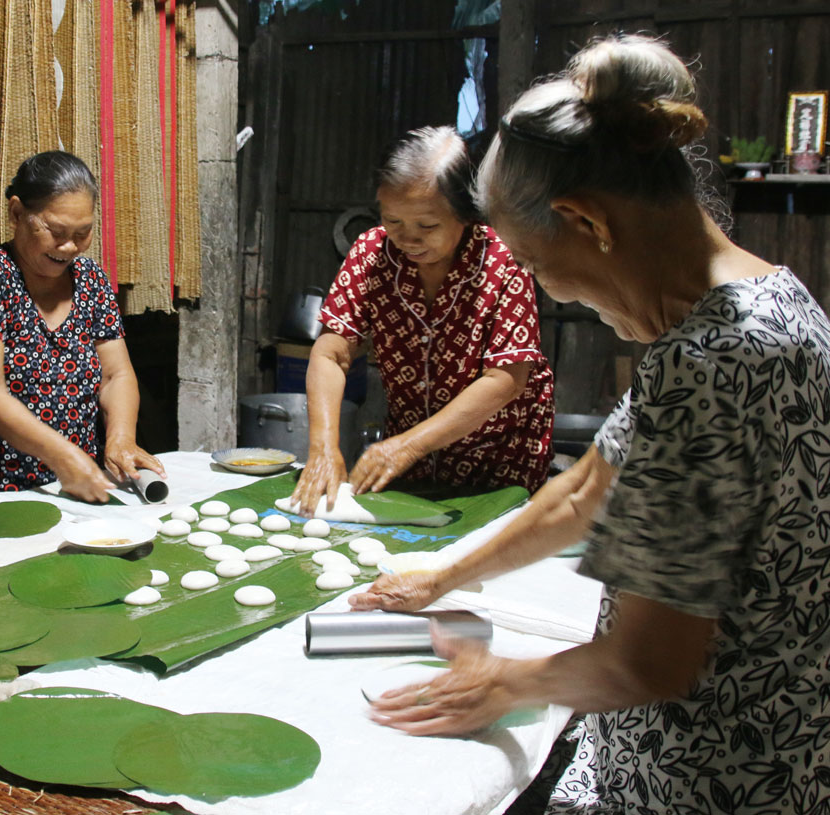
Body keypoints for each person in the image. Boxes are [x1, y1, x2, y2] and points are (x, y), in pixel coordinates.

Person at [353, 35, 830, 813]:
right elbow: (585, 492)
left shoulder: (710, 363)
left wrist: (502, 682)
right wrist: (444, 577)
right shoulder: (771, 300)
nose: (555, 293)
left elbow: (647, 663)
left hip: (712, 779)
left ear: (586, 220)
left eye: (538, 266)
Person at [291, 126, 554, 513]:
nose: (407, 239)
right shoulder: (372, 254)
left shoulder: (503, 260)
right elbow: (332, 354)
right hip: (408, 456)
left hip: (498, 457)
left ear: (465, 213)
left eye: (427, 226)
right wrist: (323, 447)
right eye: (393, 221)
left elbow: (506, 379)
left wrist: (410, 444)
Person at [0, 151, 163, 506]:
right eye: (56, 231)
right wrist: (64, 456)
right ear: (17, 213)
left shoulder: (91, 279)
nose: (69, 247)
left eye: (83, 233)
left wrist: (121, 437)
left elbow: (116, 376)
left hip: (73, 489)